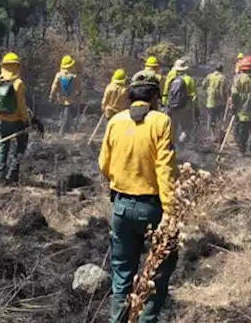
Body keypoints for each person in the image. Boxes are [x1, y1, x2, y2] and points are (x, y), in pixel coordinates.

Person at [99, 75, 178, 322]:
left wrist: (121, 181)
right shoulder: (161, 122)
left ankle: (118, 320)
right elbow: (164, 169)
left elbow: (103, 164)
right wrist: (170, 211)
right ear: (154, 97)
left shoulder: (115, 121)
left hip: (121, 207)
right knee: (158, 273)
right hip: (153, 208)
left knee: (122, 273)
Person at [0, 52, 41, 184]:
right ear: (17, 67)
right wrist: (26, 120)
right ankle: (13, 173)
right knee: (21, 145)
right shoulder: (18, 83)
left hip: (1, 120)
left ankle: (0, 176)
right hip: (17, 121)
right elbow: (21, 105)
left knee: (3, 146)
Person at [161, 58, 197, 145]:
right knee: (186, 128)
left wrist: (165, 105)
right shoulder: (189, 79)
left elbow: (165, 93)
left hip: (171, 107)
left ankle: (170, 147)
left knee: (172, 128)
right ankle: (180, 145)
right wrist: (194, 109)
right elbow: (194, 97)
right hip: (185, 108)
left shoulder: (170, 78)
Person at [50, 54, 82, 134]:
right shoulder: (74, 76)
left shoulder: (58, 75)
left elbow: (54, 87)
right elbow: (79, 88)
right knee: (66, 115)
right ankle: (62, 132)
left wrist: (51, 96)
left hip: (60, 98)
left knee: (64, 114)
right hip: (71, 99)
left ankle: (71, 129)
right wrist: (79, 94)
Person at [200, 64, 227, 138]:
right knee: (220, 119)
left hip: (210, 101)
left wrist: (208, 91)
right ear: (222, 70)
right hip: (220, 102)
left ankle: (212, 135)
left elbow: (203, 85)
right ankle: (219, 135)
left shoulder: (209, 76)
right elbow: (224, 91)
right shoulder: (223, 78)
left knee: (211, 118)